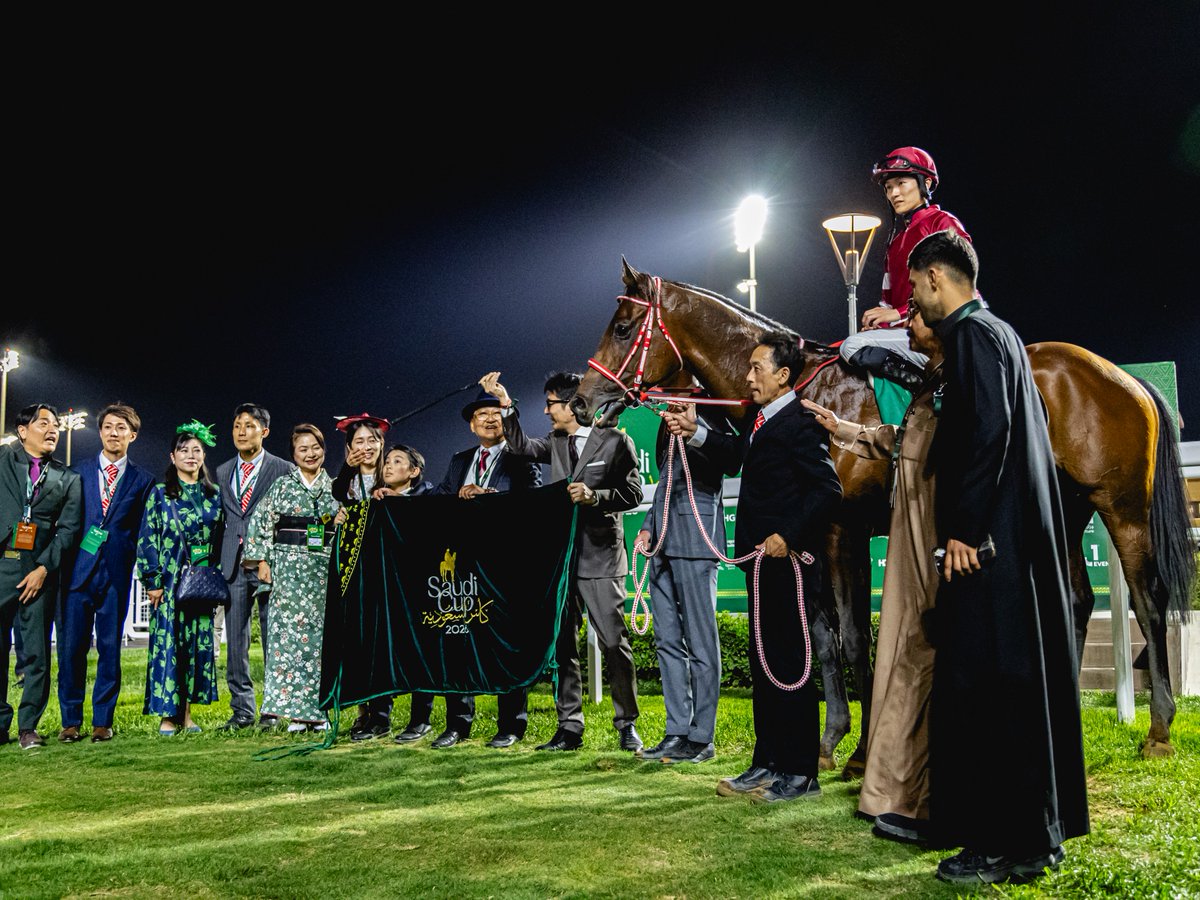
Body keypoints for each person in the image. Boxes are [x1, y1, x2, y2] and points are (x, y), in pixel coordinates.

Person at [906, 230, 1088, 885]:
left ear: (934, 279)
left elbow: (987, 436)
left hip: (986, 553)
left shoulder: (973, 337)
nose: (912, 303)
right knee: (1012, 694)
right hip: (1009, 551)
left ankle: (1001, 842)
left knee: (985, 695)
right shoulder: (1001, 335)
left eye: (913, 288)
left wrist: (963, 530)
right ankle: (1031, 839)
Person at [663, 332, 842, 802]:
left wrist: (789, 536)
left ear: (784, 376)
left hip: (791, 564)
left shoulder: (800, 422)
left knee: (792, 669)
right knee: (767, 669)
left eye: (757, 368)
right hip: (761, 565)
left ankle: (801, 774)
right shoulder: (762, 420)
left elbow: (828, 490)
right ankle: (767, 762)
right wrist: (695, 429)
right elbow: (736, 458)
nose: (748, 376)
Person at [803, 310, 944, 842]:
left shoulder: (962, 377)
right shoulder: (930, 388)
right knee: (904, 653)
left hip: (939, 534)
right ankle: (904, 791)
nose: (908, 331)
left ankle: (932, 798)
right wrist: (846, 429)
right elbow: (900, 434)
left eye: (918, 315)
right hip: (913, 533)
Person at [483, 370, 645, 753]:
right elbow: (520, 446)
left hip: (602, 559)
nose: (546, 410)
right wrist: (506, 404)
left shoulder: (616, 441)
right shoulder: (554, 442)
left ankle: (627, 724)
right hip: (562, 560)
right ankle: (569, 726)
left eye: (552, 404)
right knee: (562, 646)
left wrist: (595, 495)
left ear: (574, 404)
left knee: (613, 644)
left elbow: (634, 492)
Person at [394, 391, 542, 749]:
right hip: (464, 569)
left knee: (504, 645)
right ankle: (458, 724)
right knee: (457, 641)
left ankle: (511, 725)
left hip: (504, 566)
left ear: (505, 419)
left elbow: (534, 500)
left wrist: (490, 495)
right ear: (472, 424)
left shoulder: (521, 456)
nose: (489, 419)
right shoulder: (460, 460)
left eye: (496, 413)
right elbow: (441, 500)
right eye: (481, 415)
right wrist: (401, 500)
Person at [633, 399, 736, 765]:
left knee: (701, 643)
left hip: (697, 537)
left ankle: (701, 736)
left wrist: (695, 432)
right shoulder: (665, 419)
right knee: (667, 642)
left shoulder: (711, 411)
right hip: (661, 542)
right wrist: (648, 527)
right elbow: (667, 480)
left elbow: (730, 460)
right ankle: (676, 731)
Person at [56, 403, 156, 744]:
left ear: (133, 435)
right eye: (109, 426)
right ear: (100, 432)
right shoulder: (76, 473)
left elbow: (143, 531)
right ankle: (70, 721)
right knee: (72, 650)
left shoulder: (143, 481)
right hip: (76, 574)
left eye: (121, 427)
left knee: (110, 649)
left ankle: (102, 721)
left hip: (115, 573)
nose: (114, 433)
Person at [839, 146, 972, 392]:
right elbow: (888, 302)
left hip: (948, 332)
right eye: (889, 188)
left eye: (901, 183)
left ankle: (927, 390)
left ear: (927, 183)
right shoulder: (895, 242)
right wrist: (880, 320)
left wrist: (899, 315)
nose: (894, 193)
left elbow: (958, 284)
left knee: (851, 346)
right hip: (912, 334)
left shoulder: (943, 222)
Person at [244, 424, 339, 733]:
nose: (310, 454)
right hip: (287, 571)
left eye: (315, 447)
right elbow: (261, 521)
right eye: (303, 449)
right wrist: (262, 561)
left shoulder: (336, 487)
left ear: (324, 450)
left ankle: (318, 712)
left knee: (320, 645)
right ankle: (295, 714)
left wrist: (338, 519)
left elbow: (344, 526)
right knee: (287, 643)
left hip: (323, 572)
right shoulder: (283, 486)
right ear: (294, 455)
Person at [0, 404, 83, 749]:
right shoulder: (4, 460)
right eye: (44, 423)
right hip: (2, 562)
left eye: (57, 425)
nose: (53, 430)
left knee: (35, 652)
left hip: (39, 570)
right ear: (23, 430)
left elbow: (69, 530)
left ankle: (28, 727)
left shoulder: (68, 478)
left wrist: (44, 568)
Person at [136, 422, 225, 735]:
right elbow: (148, 538)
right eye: (184, 450)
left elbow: (222, 540)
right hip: (170, 584)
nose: (191, 455)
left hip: (200, 585)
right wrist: (153, 580)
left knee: (195, 651)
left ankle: (186, 716)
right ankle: (166, 717)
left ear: (203, 457)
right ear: (172, 457)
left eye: (196, 450)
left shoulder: (214, 496)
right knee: (169, 647)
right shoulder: (160, 495)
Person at [215, 403, 294, 731]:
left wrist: (277, 559)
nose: (241, 431)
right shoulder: (222, 472)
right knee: (236, 642)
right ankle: (243, 711)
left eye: (249, 425)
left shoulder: (283, 469)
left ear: (265, 431)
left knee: (274, 640)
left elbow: (290, 519)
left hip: (269, 566)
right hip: (234, 566)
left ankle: (273, 712)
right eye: (236, 426)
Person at [329, 413, 397, 741]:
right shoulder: (347, 484)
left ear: (382, 443)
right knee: (357, 639)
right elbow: (337, 494)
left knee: (379, 640)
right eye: (359, 442)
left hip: (385, 571)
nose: (366, 447)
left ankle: (381, 714)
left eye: (372, 440)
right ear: (348, 448)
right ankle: (361, 710)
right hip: (353, 573)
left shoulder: (391, 476)